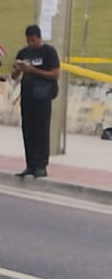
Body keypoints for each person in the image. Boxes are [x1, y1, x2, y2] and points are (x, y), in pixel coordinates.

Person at [6, 24, 60, 178]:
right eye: (28, 40)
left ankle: (41, 164)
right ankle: (30, 164)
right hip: (27, 97)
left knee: (41, 130)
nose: (31, 43)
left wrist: (34, 71)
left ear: (39, 38)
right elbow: (14, 76)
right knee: (28, 130)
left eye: (33, 40)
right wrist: (18, 68)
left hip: (42, 97)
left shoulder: (48, 52)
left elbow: (55, 74)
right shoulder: (24, 53)